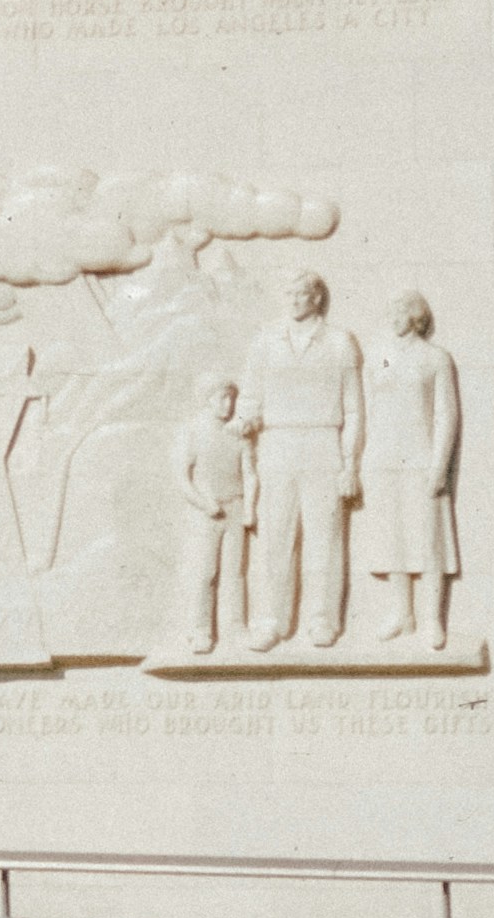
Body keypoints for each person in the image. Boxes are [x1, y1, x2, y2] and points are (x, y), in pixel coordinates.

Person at [237, 269, 363, 650]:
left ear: (317, 299)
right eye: (288, 294)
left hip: (323, 440)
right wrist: (248, 417)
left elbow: (354, 410)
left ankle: (322, 618)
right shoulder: (266, 340)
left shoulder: (340, 342)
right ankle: (271, 620)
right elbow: (250, 394)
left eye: (301, 294)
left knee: (324, 537)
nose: (293, 301)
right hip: (277, 442)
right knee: (276, 536)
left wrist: (350, 463)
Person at [361, 290, 465, 648]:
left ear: (416, 316)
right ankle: (401, 614)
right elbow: (370, 411)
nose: (392, 317)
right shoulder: (378, 357)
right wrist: (366, 459)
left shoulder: (435, 359)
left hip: (420, 460)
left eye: (399, 311)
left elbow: (446, 415)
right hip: (383, 459)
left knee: (429, 540)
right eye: (390, 311)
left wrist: (439, 465)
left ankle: (432, 619)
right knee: (392, 538)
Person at [170, 378, 254, 656]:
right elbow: (182, 477)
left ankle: (236, 628)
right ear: (208, 398)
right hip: (207, 512)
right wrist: (204, 504)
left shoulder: (237, 434)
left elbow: (250, 473)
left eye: (231, 398)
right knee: (206, 572)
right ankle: (200, 630)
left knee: (235, 572)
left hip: (235, 508)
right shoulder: (194, 431)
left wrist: (249, 509)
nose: (228, 404)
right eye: (222, 397)